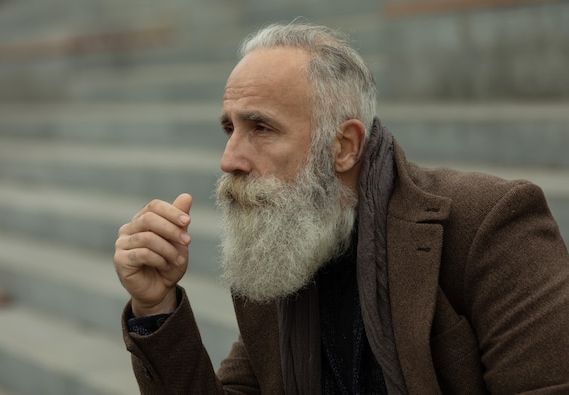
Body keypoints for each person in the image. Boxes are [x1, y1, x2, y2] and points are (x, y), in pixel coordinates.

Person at [113, 22, 569, 394]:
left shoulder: (490, 222)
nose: (229, 159)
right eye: (229, 128)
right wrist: (155, 306)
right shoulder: (280, 256)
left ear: (345, 146)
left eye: (261, 128)